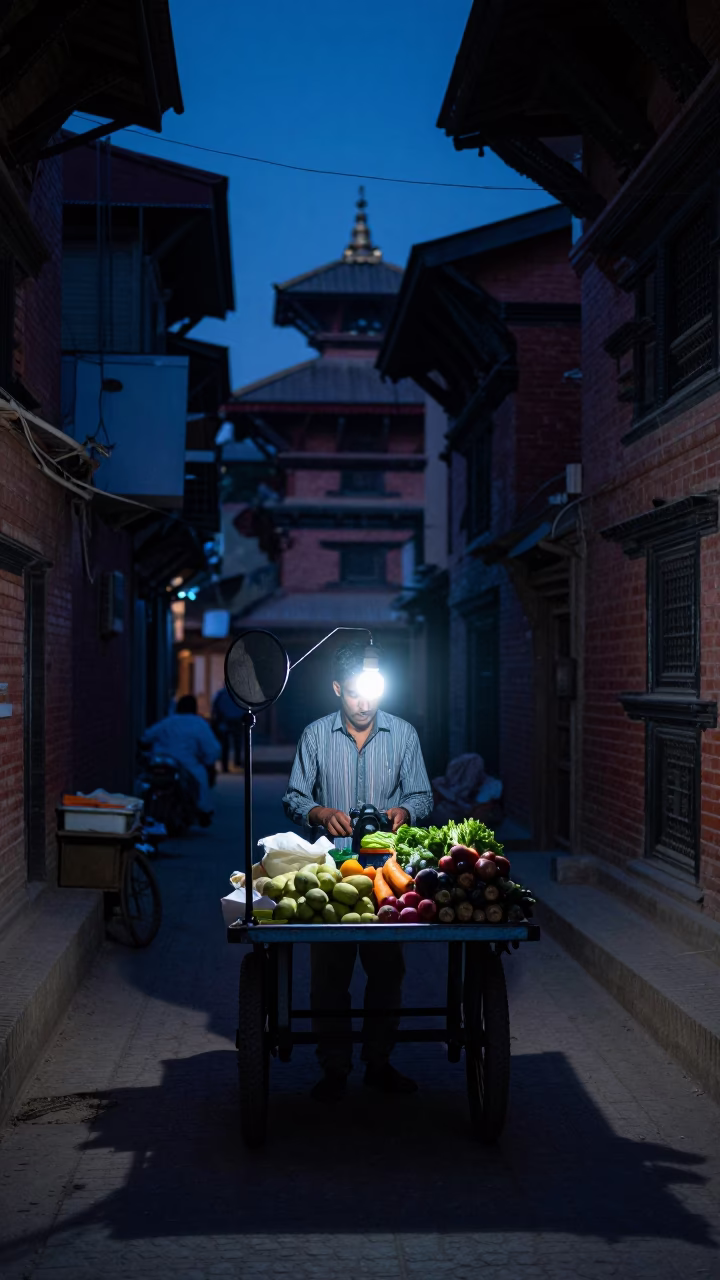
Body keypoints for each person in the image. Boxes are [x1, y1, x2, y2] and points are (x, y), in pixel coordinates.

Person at [282, 643, 433, 1101]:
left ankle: (378, 1062)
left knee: (387, 971)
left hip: (388, 875)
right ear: (337, 689)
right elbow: (294, 797)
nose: (364, 704)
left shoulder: (403, 734)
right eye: (353, 694)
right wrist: (320, 812)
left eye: (372, 692)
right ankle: (334, 1067)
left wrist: (405, 811)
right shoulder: (315, 735)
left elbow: (423, 795)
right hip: (331, 874)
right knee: (330, 975)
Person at [144, 694, 221, 822]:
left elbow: (146, 736)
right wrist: (209, 761)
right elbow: (212, 749)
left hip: (162, 760)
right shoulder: (198, 723)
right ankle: (203, 809)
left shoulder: (168, 721)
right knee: (201, 780)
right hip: (187, 764)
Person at [212, 686, 246, 772]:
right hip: (237, 720)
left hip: (226, 720)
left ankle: (225, 766)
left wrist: (217, 719)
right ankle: (237, 763)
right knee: (237, 743)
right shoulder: (238, 693)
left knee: (225, 745)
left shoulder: (221, 694)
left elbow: (216, 707)